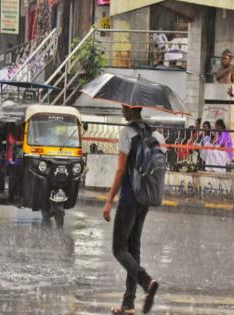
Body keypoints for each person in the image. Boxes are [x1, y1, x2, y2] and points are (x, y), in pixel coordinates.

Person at [102, 105, 160, 315]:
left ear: (132, 108)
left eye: (124, 106)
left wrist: (109, 200)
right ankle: (128, 304)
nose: (121, 109)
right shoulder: (151, 133)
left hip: (128, 197)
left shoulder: (126, 133)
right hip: (144, 198)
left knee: (119, 249)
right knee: (133, 249)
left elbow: (120, 170)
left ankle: (146, 281)